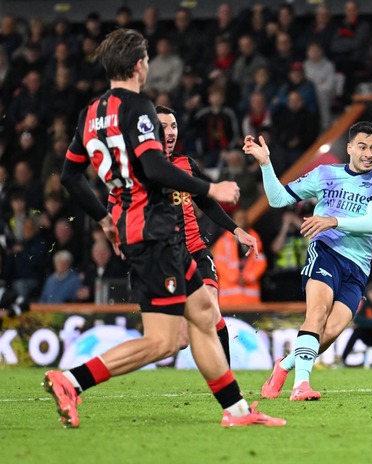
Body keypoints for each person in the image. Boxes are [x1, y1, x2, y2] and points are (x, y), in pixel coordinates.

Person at [46, 29, 284, 428]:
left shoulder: (90, 112)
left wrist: (105, 219)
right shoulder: (139, 107)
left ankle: (237, 411)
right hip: (151, 233)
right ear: (140, 65)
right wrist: (214, 187)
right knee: (164, 341)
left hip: (144, 230)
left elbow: (70, 176)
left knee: (205, 313)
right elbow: (156, 167)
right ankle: (71, 380)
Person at [243, 120, 372, 401]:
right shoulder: (325, 174)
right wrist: (266, 164)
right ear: (349, 147)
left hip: (358, 266)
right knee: (317, 314)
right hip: (326, 251)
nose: (368, 154)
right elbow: (277, 199)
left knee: (332, 330)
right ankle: (302, 385)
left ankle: (285, 365)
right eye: (362, 146)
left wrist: (332, 220)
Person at [155, 105, 259, 366]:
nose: (170, 132)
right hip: (166, 260)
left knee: (212, 310)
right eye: (163, 126)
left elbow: (207, 202)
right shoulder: (141, 171)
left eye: (174, 126)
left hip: (196, 251)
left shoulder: (186, 164)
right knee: (178, 342)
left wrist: (237, 231)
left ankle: (229, 387)